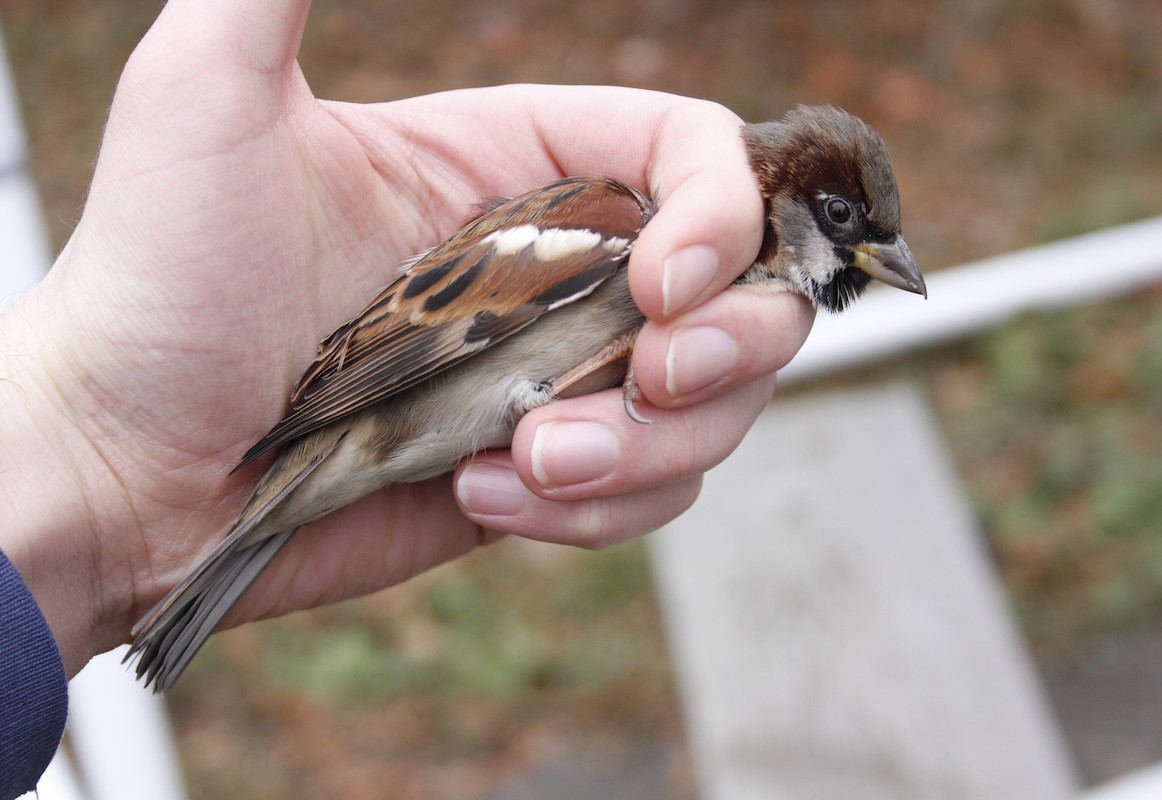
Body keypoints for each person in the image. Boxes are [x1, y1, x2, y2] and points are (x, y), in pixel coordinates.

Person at [0, 0, 814, 795]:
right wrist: (91, 450)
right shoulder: (612, 224)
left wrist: (92, 485)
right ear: (778, 194)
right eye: (842, 221)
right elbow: (446, 330)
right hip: (381, 409)